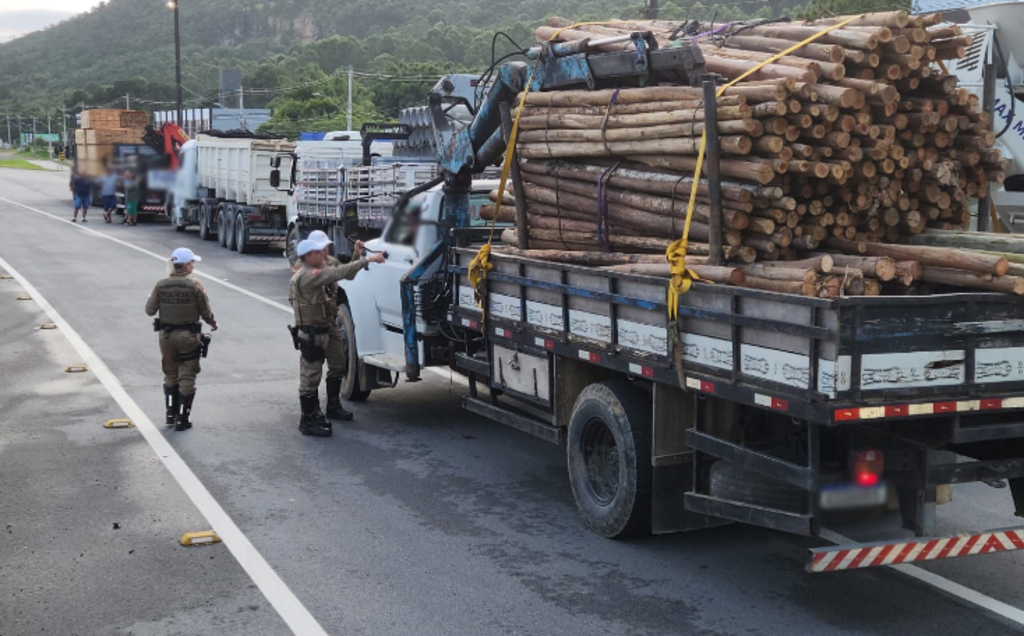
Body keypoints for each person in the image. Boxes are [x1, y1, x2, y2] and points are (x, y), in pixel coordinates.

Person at [290, 235, 385, 436]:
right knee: (310, 377)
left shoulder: (320, 266)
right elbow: (337, 273)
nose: (324, 252)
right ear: (308, 256)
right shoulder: (308, 273)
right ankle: (308, 420)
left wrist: (357, 256)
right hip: (312, 332)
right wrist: (368, 259)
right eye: (318, 250)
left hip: (326, 326)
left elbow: (342, 272)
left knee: (338, 364)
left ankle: (326, 410)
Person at [145, 248, 218, 431]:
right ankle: (182, 418)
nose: (193, 265)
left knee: (170, 373)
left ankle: (170, 414)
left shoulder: (161, 284)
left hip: (166, 336)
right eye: (192, 262)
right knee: (187, 375)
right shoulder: (194, 285)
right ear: (185, 265)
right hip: (188, 336)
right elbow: (205, 310)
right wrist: (212, 322)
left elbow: (149, 310)